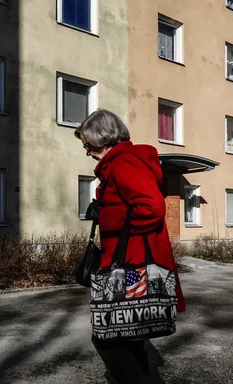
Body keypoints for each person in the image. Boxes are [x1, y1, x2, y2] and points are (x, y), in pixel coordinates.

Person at [74, 108, 186, 384]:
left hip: (133, 265)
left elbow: (152, 208)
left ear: (103, 139)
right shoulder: (120, 163)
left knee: (110, 336)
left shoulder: (124, 163)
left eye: (88, 144)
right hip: (129, 261)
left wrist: (107, 215)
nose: (87, 151)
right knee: (130, 335)